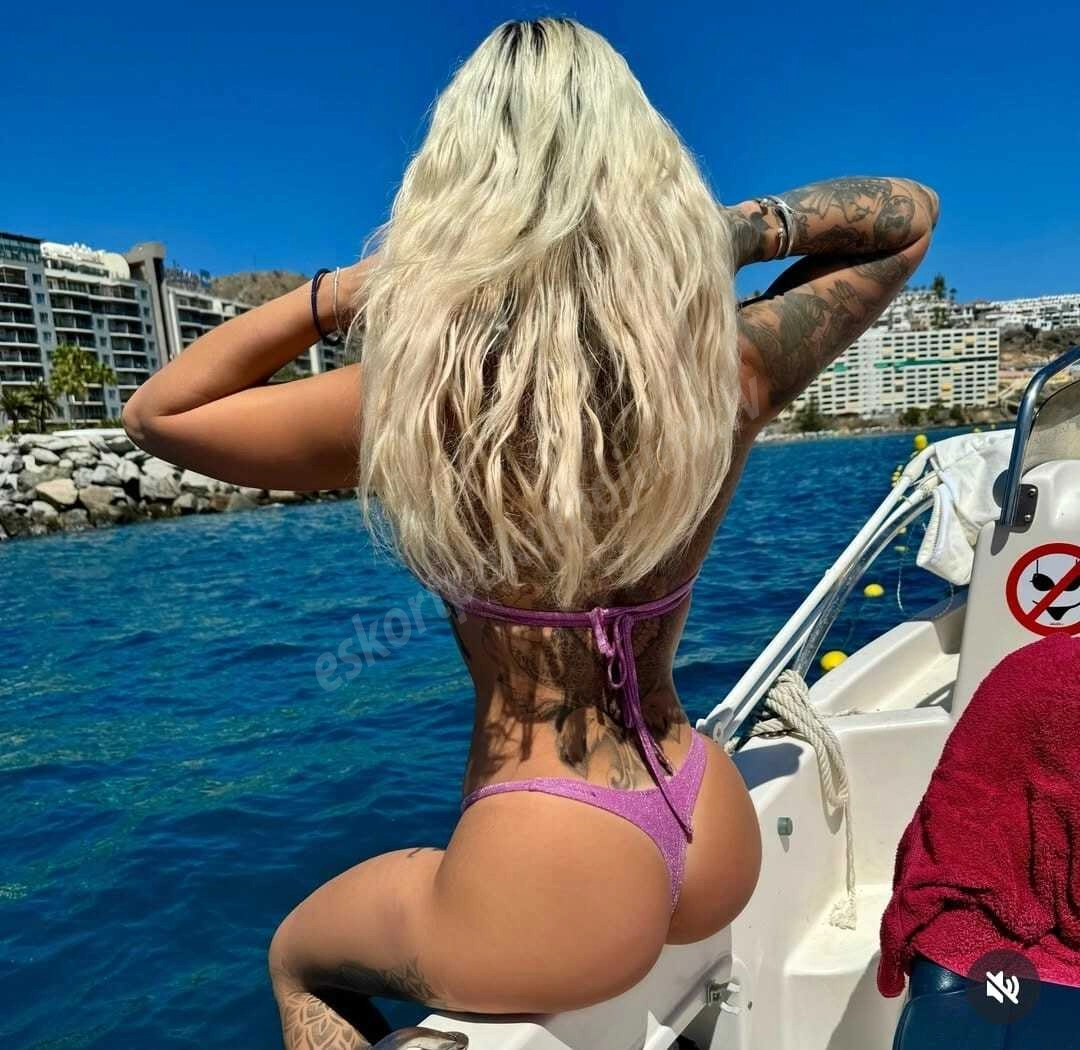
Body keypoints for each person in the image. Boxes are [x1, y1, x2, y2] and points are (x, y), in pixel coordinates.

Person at [122, 17, 938, 1049]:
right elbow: (908, 218)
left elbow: (159, 415)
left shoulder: (429, 403)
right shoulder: (725, 369)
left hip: (551, 861)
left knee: (297, 956)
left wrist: (356, 291)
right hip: (704, 809)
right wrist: (710, 239)